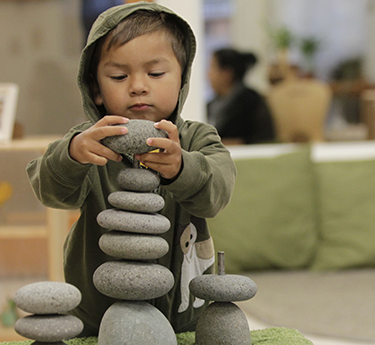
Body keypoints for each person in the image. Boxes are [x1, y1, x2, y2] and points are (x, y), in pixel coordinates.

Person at [26, 2, 236, 336]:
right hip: (98, 316)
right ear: (95, 88)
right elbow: (50, 190)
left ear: (182, 78)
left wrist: (182, 168)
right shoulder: (89, 142)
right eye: (119, 76)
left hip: (182, 315)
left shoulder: (196, 138)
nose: (137, 86)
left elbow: (217, 193)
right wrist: (72, 154)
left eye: (155, 73)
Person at [207, 48, 276, 144]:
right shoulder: (212, 104)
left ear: (227, 73)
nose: (208, 74)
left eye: (212, 67)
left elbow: (261, 138)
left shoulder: (250, 101)